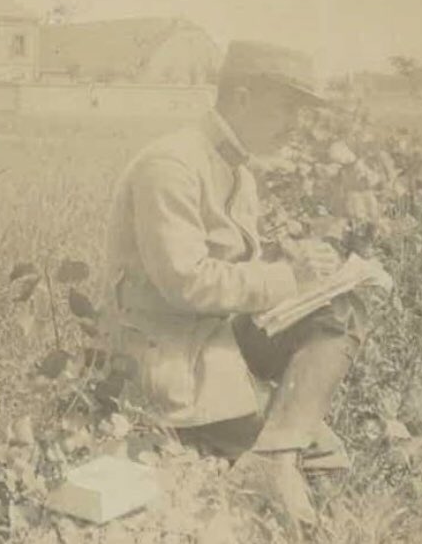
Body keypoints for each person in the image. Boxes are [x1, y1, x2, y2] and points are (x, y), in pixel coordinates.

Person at [101, 40, 366, 529]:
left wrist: (303, 275)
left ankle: (275, 454)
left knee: (338, 312)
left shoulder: (235, 171)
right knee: (320, 469)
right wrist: (287, 277)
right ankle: (272, 456)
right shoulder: (171, 166)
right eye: (287, 107)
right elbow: (187, 284)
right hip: (170, 358)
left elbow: (239, 276)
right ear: (242, 97)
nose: (295, 124)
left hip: (216, 343)